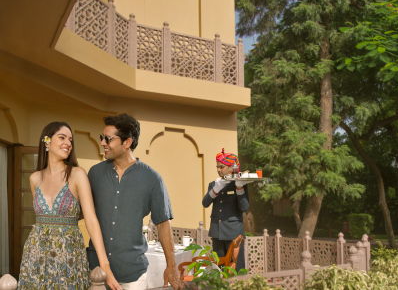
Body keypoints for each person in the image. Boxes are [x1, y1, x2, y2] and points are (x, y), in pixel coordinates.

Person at [18, 122, 121, 289]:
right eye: (62, 137)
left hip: (69, 256)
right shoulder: (34, 179)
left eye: (70, 140)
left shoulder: (77, 174)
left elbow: (91, 220)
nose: (68, 143)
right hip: (35, 255)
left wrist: (105, 266)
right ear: (47, 141)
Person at [86, 113, 183, 289]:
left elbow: (163, 224)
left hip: (133, 275)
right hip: (95, 273)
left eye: (108, 139)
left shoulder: (152, 179)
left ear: (127, 142)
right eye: (102, 138)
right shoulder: (94, 174)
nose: (102, 143)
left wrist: (171, 266)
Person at [202, 149, 250, 271]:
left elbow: (244, 207)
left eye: (222, 167)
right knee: (219, 268)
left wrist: (239, 188)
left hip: (233, 234)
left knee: (236, 268)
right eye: (217, 167)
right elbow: (205, 203)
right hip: (217, 232)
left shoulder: (240, 183)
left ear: (231, 168)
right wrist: (215, 190)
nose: (219, 170)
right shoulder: (214, 184)